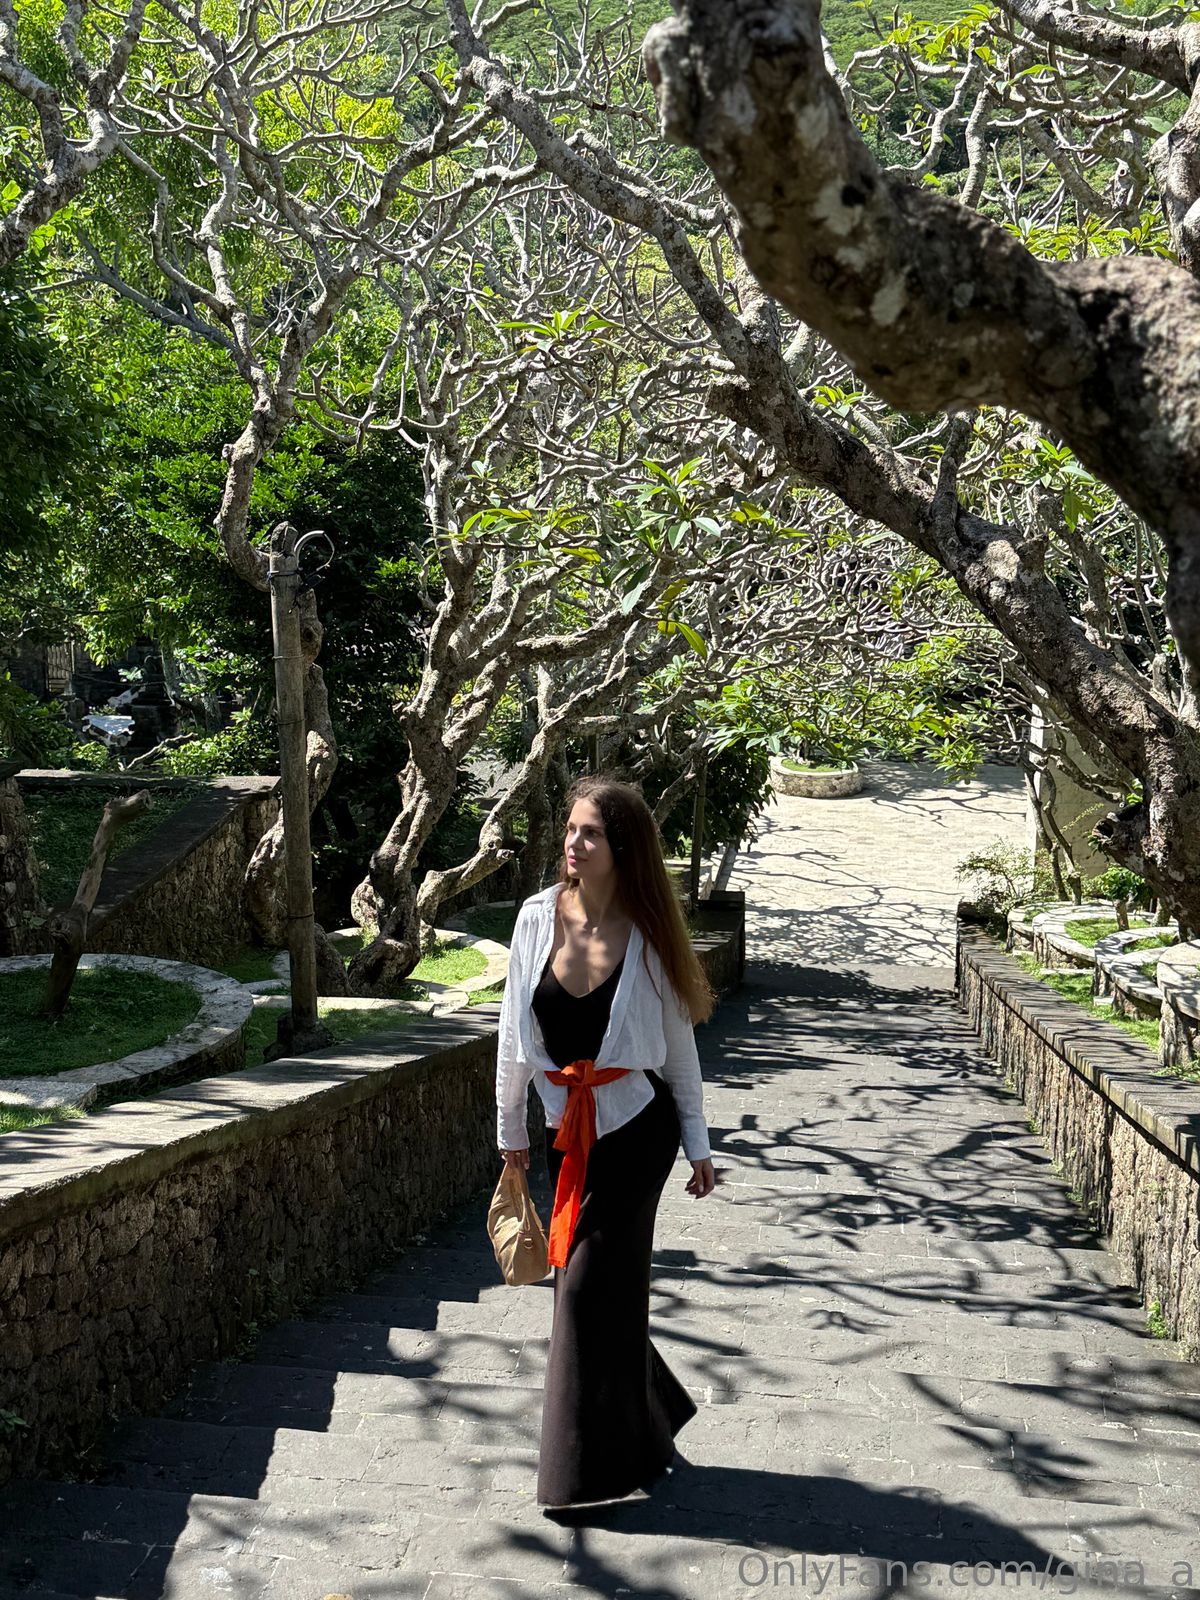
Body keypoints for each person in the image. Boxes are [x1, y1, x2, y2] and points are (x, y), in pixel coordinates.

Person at [495, 773, 717, 1516]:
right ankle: (649, 1427)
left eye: (590, 832)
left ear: (623, 848)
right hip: (569, 1132)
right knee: (599, 1291)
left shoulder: (648, 934)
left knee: (585, 1288)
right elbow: (512, 1036)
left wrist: (698, 1143)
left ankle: (579, 1476)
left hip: (637, 1129)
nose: (574, 842)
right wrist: (510, 1130)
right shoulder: (535, 919)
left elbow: (678, 1049)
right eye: (571, 829)